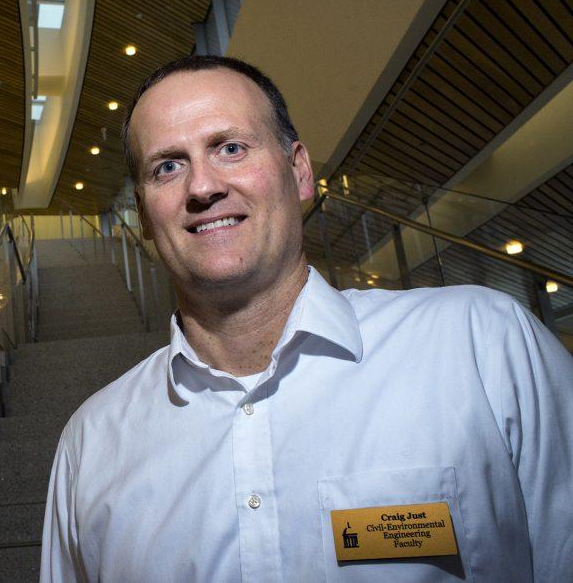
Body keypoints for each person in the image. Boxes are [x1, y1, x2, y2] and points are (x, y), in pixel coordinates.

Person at [40, 55, 573, 581]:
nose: (202, 188)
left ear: (299, 172)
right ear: (143, 216)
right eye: (168, 166)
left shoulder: (481, 345)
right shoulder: (91, 444)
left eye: (230, 147)